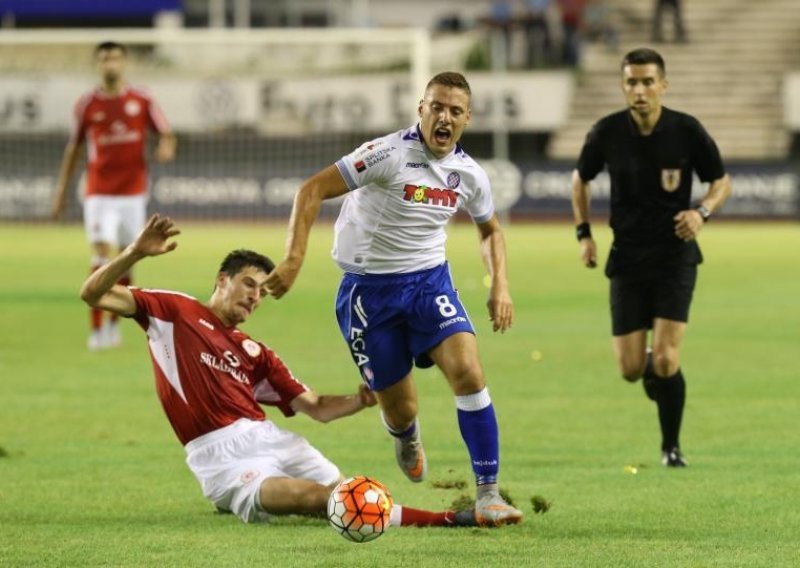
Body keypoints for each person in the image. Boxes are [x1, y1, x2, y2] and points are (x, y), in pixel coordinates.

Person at [80, 213, 471, 527]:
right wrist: (134, 252)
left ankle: (440, 517)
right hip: (221, 457)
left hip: (272, 439)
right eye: (249, 284)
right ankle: (447, 519)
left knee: (345, 492)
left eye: (262, 292)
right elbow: (92, 294)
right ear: (222, 280)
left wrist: (362, 400)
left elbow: (315, 406)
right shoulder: (175, 312)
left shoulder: (255, 353)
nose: (254, 297)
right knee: (322, 501)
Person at [265, 72, 523, 527]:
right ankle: (405, 435)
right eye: (436, 107)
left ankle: (489, 494)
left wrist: (499, 283)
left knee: (468, 371)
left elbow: (490, 231)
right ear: (421, 109)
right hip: (368, 294)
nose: (444, 117)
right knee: (401, 408)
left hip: (429, 285)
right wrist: (292, 260)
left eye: (455, 111)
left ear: (467, 118)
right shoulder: (386, 154)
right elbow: (312, 190)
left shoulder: (469, 175)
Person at [570, 48, 732, 467]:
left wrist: (702, 211)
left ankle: (671, 446)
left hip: (675, 257)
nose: (639, 90)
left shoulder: (686, 130)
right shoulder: (606, 132)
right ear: (623, 86)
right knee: (628, 368)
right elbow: (580, 179)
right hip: (627, 257)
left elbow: (721, 181)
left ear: (663, 84)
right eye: (631, 82)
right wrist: (584, 233)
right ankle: (658, 376)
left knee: (665, 358)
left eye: (647, 82)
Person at [53, 41, 177, 351]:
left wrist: (166, 146)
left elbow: (166, 132)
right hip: (98, 193)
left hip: (133, 194)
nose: (110, 63)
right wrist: (61, 191)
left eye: (116, 58)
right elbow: (74, 149)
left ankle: (113, 323)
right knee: (99, 255)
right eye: (105, 58)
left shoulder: (142, 99)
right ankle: (96, 330)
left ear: (124, 63)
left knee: (127, 258)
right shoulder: (87, 104)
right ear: (98, 64)